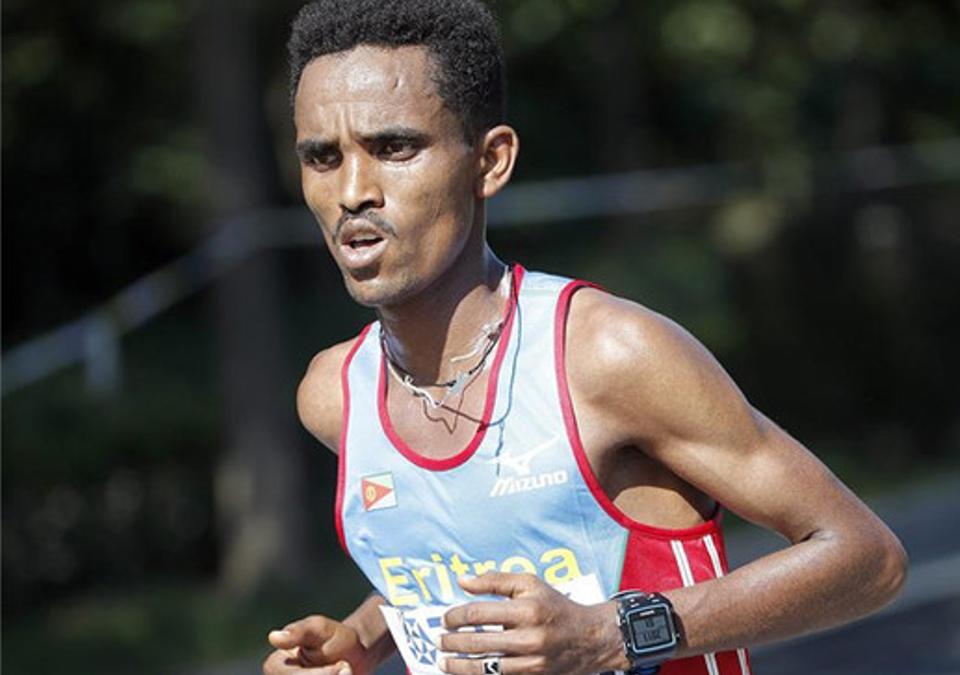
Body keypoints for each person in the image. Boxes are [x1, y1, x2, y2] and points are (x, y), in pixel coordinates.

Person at [263, 1, 907, 674]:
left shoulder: (606, 356)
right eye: (322, 157)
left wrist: (611, 633)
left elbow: (867, 556)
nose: (354, 190)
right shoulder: (335, 395)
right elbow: (467, 545)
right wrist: (363, 640)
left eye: (394, 148)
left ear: (490, 160)